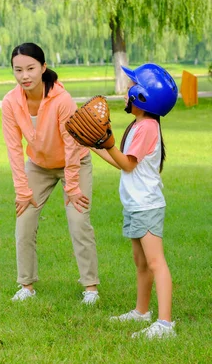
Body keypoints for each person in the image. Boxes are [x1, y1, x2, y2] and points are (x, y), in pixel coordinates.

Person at [2, 42, 100, 305]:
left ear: (43, 68)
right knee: (24, 222)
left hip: (74, 163)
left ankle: (90, 288)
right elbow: (13, 148)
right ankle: (26, 285)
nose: (25, 76)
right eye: (18, 70)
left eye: (31, 68)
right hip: (38, 166)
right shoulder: (10, 102)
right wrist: (22, 191)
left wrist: (72, 187)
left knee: (78, 221)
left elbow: (71, 144)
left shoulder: (62, 100)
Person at [92, 63, 178, 339]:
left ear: (143, 95)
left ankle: (165, 325)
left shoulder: (147, 127)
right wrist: (96, 146)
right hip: (135, 204)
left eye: (131, 86)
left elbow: (127, 164)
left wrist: (107, 143)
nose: (127, 90)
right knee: (140, 262)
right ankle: (142, 311)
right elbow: (123, 163)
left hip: (147, 205)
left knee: (156, 263)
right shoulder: (139, 124)